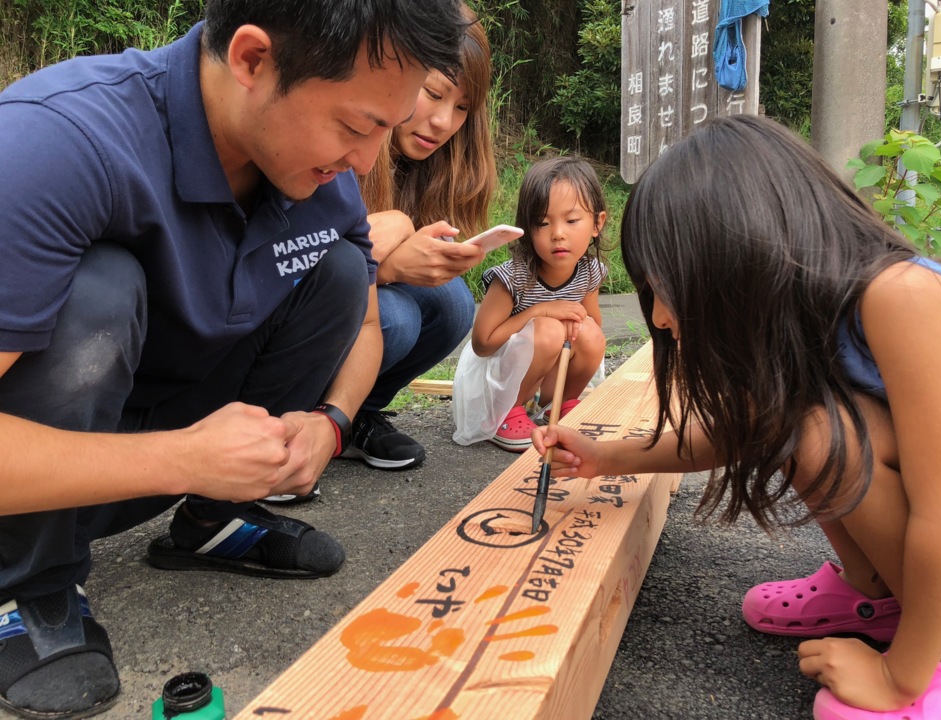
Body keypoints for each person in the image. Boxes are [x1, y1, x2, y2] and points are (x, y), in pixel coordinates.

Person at [0, 1, 465, 717]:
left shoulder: (323, 180)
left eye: (387, 129)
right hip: (44, 469)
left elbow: (365, 321)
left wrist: (332, 423)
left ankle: (212, 520)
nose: (368, 162)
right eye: (355, 125)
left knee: (340, 270)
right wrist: (181, 458)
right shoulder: (53, 143)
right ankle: (25, 582)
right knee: (98, 290)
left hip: (162, 439)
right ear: (252, 59)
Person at [532, 114, 941, 719]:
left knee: (817, 432)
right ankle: (880, 594)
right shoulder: (814, 318)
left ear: (738, 255)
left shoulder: (904, 299)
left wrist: (899, 678)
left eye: (666, 289)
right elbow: (748, 428)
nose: (657, 318)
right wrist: (609, 456)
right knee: (794, 417)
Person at [347, 5, 497, 470]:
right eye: (433, 94)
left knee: (452, 303)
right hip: (296, 315)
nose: (443, 122)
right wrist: (388, 266)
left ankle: (357, 416)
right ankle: (295, 418)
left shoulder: (442, 170)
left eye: (462, 108)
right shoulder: (343, 143)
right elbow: (297, 269)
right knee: (395, 318)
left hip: (359, 295)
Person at [453, 156, 608, 452]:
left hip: (542, 367)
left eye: (572, 220)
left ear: (596, 224)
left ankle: (556, 406)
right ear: (527, 229)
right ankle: (507, 414)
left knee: (588, 331)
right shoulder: (514, 277)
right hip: (494, 380)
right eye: (543, 222)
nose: (558, 233)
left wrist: (571, 325)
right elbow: (482, 345)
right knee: (548, 329)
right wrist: (538, 312)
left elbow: (593, 332)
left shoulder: (590, 272)